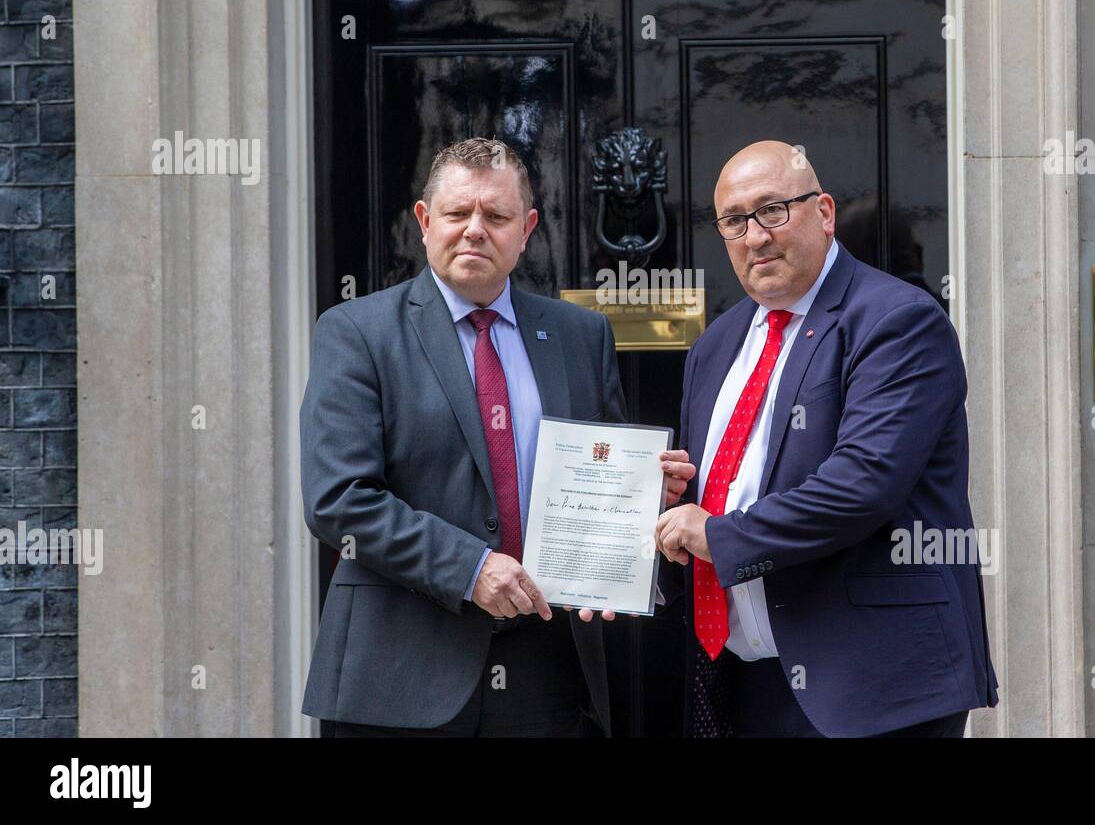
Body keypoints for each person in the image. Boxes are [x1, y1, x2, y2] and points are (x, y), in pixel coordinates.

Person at [300, 137, 694, 737]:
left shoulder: (579, 335)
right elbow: (340, 499)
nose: (475, 231)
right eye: (458, 214)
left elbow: (602, 474)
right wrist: (471, 568)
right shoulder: (357, 332)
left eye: (497, 216)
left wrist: (645, 497)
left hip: (545, 665)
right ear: (425, 222)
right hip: (400, 670)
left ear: (527, 228)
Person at [655, 140, 998, 737]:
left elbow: (862, 485)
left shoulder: (896, 320)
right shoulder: (717, 344)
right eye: (735, 221)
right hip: (744, 678)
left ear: (825, 212)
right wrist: (671, 498)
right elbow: (722, 487)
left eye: (773, 210)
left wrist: (717, 533)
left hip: (874, 684)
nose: (756, 236)